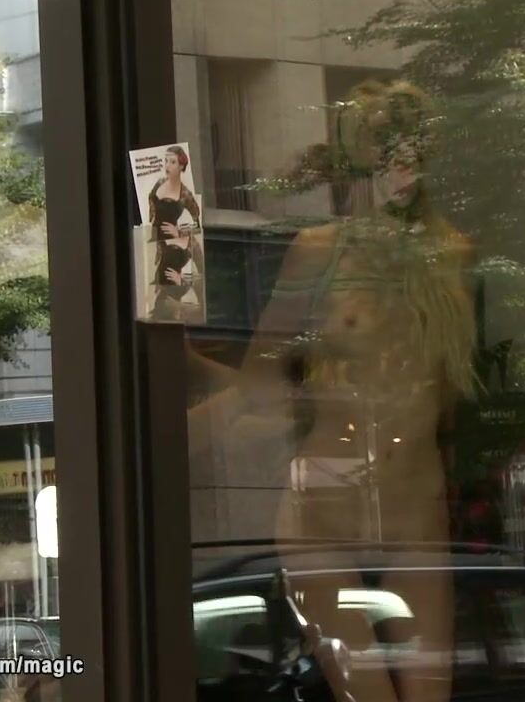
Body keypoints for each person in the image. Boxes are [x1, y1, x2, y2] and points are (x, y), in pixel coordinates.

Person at [189, 80, 473, 702]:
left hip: (415, 513)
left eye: (407, 145)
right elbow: (260, 384)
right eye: (379, 148)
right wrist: (178, 396)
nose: (396, 164)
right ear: (356, 162)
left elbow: (449, 399)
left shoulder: (453, 254)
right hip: (325, 513)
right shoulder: (319, 252)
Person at [148, 146, 203, 321]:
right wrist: (151, 217)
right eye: (166, 161)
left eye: (172, 162)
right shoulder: (159, 183)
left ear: (181, 166)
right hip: (160, 243)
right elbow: (151, 198)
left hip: (180, 290)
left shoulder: (185, 194)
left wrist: (178, 231)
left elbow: (197, 221)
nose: (167, 165)